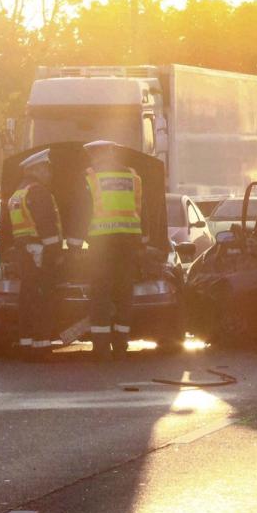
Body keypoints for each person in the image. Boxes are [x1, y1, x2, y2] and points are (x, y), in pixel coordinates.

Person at [80, 141, 146, 360]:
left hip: (101, 246)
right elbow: (139, 209)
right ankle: (120, 345)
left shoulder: (91, 178)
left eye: (94, 155)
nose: (93, 160)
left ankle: (100, 348)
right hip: (127, 244)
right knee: (124, 294)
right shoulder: (132, 177)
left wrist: (72, 245)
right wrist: (140, 241)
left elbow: (82, 211)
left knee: (100, 295)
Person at [7, 149, 63, 360]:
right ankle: (42, 348)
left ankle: (26, 345)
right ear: (36, 169)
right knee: (42, 300)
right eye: (46, 168)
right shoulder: (38, 191)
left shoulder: (17, 193)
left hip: (25, 252)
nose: (49, 173)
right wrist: (56, 253)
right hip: (40, 253)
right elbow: (47, 225)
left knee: (27, 299)